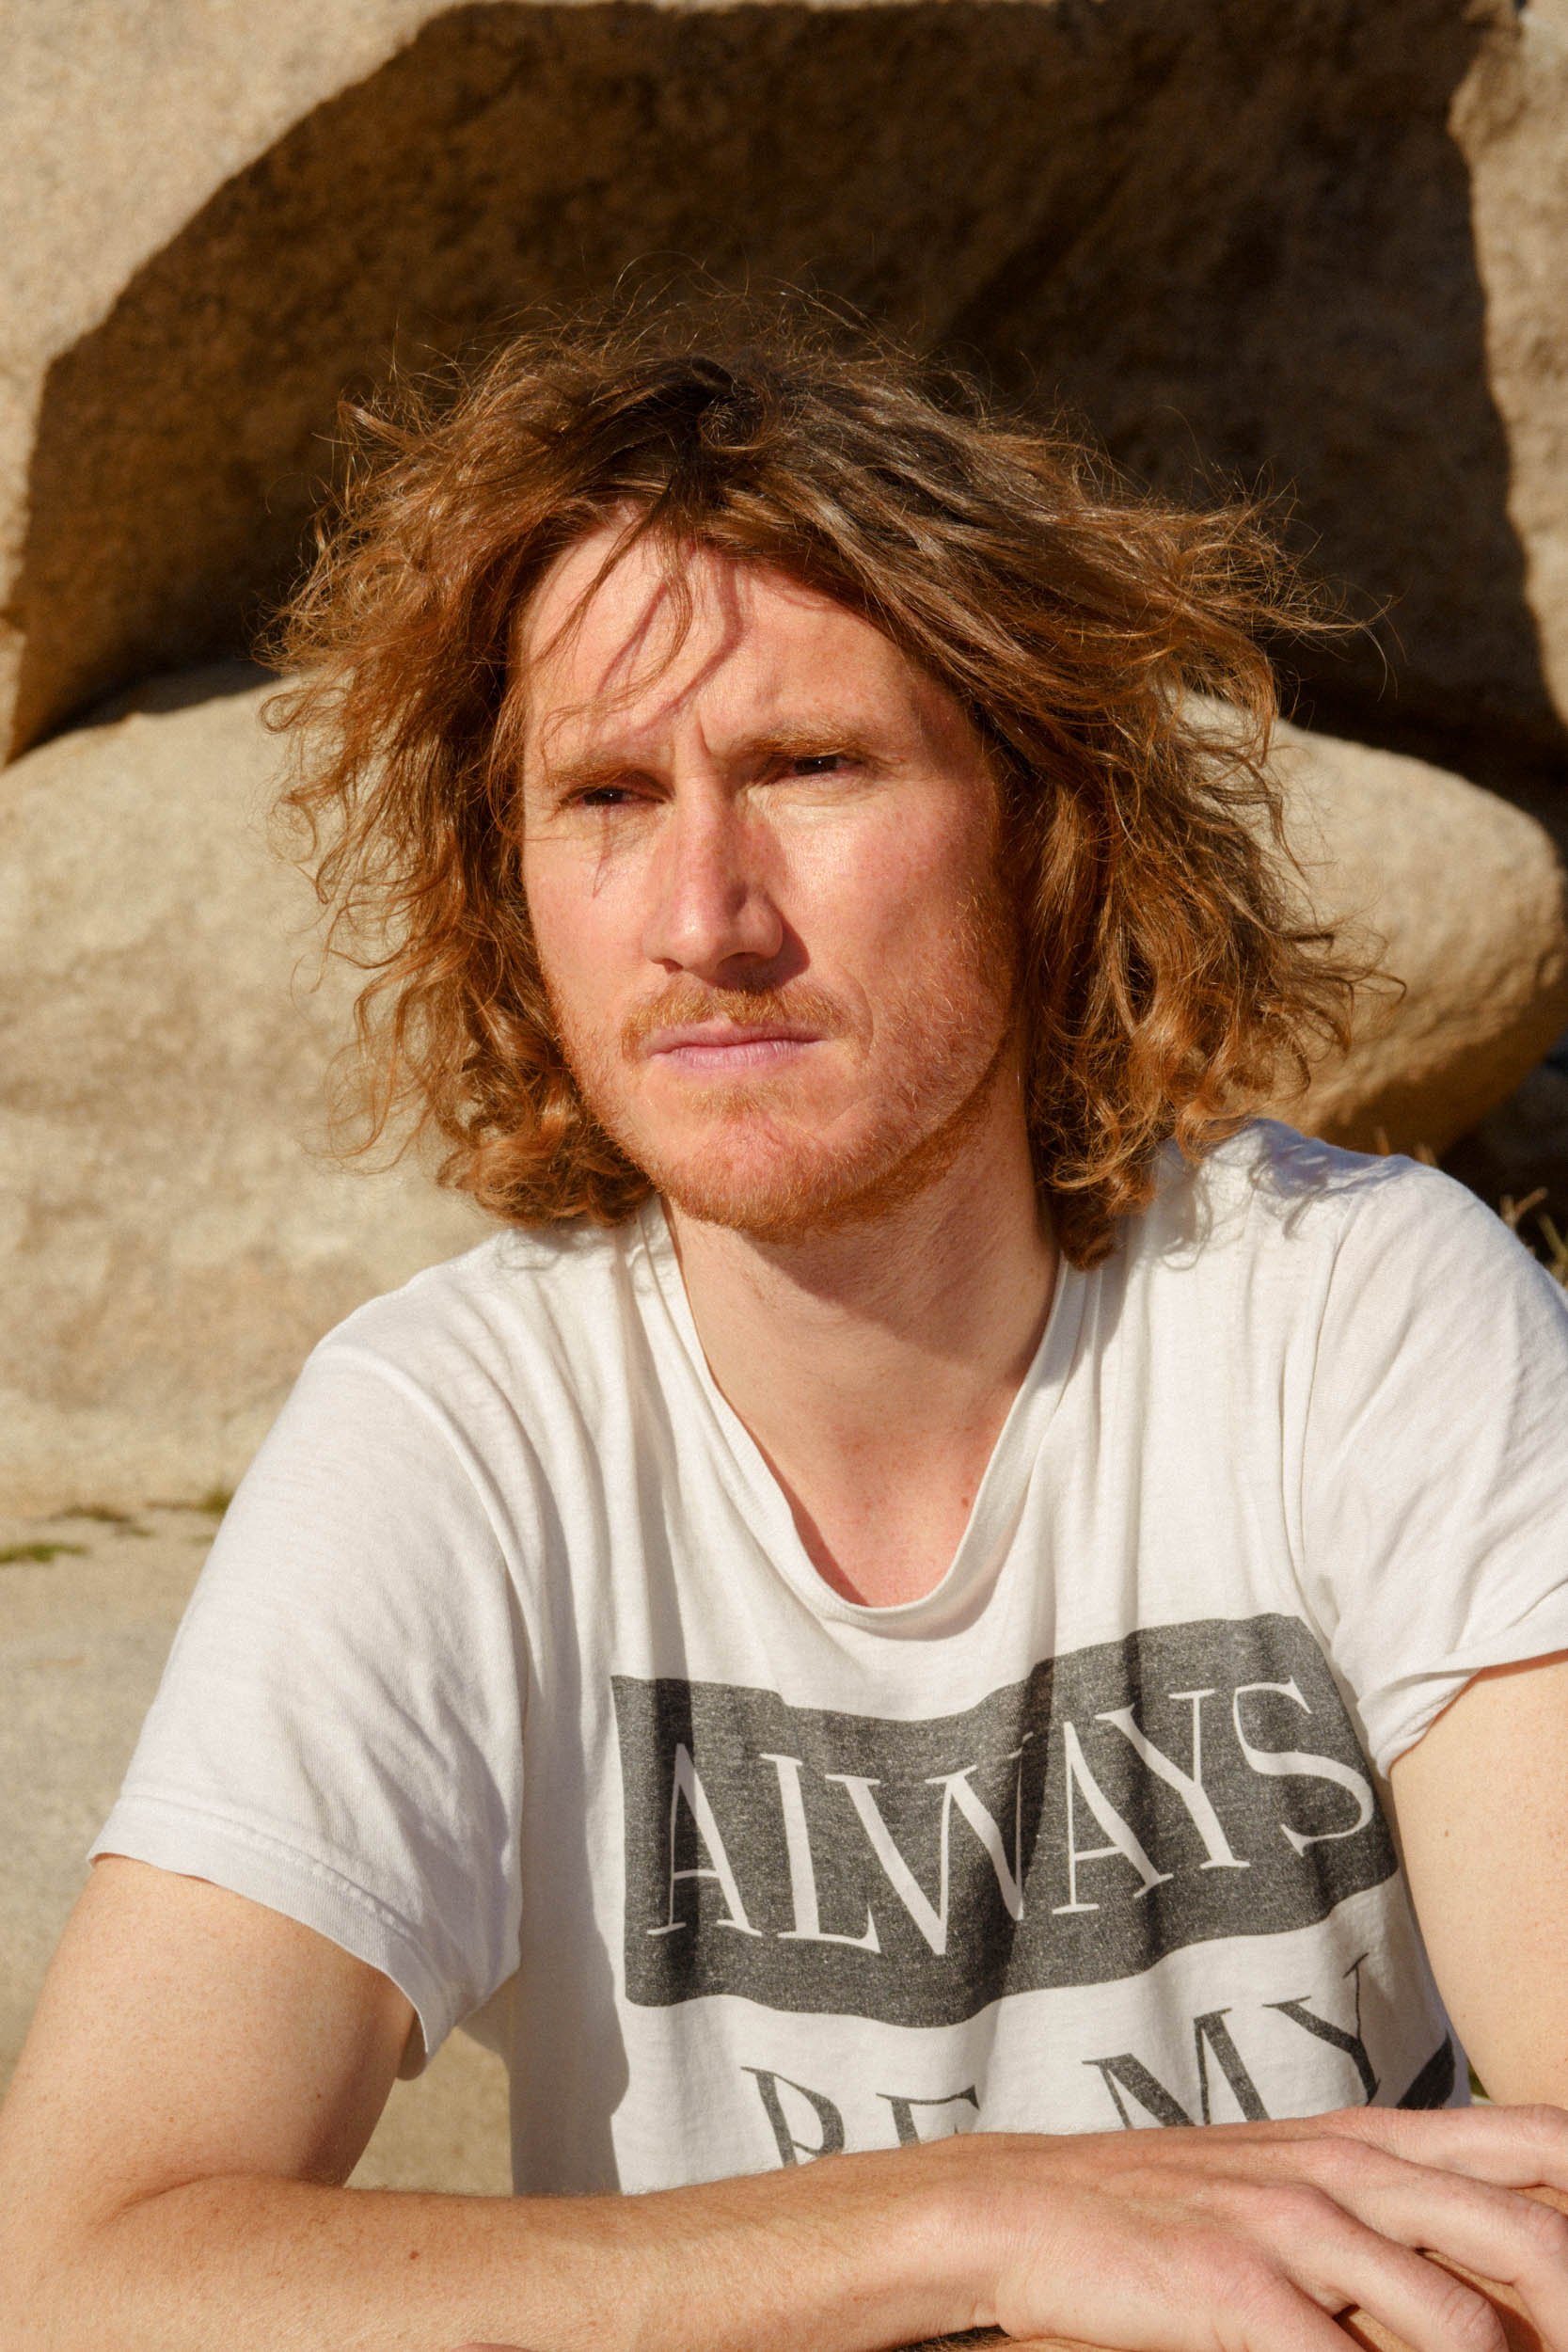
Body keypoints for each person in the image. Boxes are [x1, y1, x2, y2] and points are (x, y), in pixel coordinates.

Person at [2, 307, 1567, 2352]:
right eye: (604, 794)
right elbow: (77, 2265)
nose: (704, 917)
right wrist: (977, 2219)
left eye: (808, 768)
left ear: (1046, 820)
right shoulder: (463, 1434)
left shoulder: (1353, 1313)